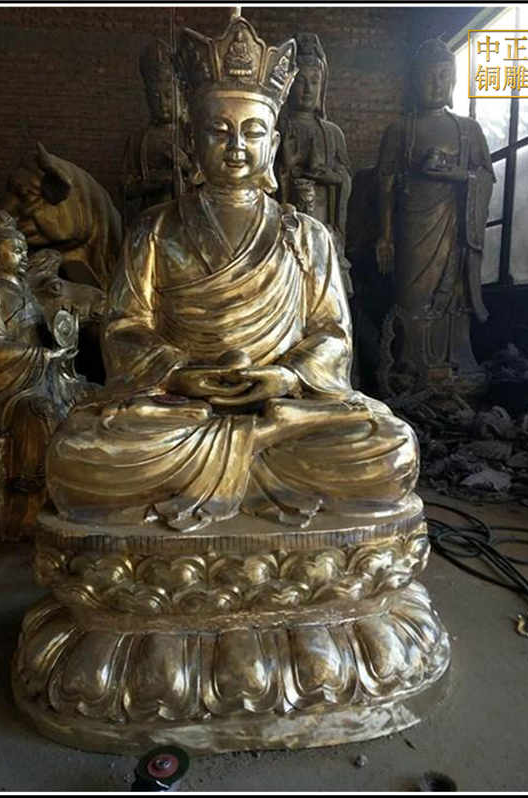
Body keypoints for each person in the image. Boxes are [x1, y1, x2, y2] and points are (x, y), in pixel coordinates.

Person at [46, 17, 419, 532]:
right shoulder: (155, 228)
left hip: (281, 406)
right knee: (78, 454)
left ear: (274, 142)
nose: (236, 145)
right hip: (182, 407)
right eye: (218, 131)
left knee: (393, 447)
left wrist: (287, 376)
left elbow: (332, 334)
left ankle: (249, 448)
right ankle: (254, 452)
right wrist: (179, 374)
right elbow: (125, 328)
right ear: (192, 138)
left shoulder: (308, 235)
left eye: (253, 131)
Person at [376, 38, 495, 391]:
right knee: (411, 297)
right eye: (429, 77)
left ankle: (452, 362)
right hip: (412, 227)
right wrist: (385, 236)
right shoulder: (400, 130)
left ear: (454, 81)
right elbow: (384, 184)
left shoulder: (468, 130)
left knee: (451, 297)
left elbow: (485, 176)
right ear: (414, 82)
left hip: (455, 226)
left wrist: (457, 175)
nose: (437, 84)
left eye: (444, 76)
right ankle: (408, 363)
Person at [0, 211, 85, 493]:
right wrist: (43, 355)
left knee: (88, 396)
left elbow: (42, 335)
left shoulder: (25, 292)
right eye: (17, 250)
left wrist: (63, 336)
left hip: (43, 379)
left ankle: (86, 471)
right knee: (41, 412)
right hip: (6, 392)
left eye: (25, 250)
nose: (25, 257)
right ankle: (37, 483)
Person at [277, 32, 353, 295]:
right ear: (288, 84)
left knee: (322, 290)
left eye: (315, 81)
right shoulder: (276, 128)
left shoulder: (332, 133)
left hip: (323, 225)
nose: (308, 90)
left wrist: (331, 177)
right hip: (284, 228)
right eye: (300, 81)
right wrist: (285, 166)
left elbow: (345, 179)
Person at [120, 39, 190, 223]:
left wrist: (185, 165)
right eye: (155, 97)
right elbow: (125, 188)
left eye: (168, 96)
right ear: (147, 98)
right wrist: (147, 184)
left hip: (187, 218)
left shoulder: (193, 135)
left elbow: (212, 180)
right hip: (151, 216)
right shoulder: (139, 139)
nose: (162, 103)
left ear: (181, 95)